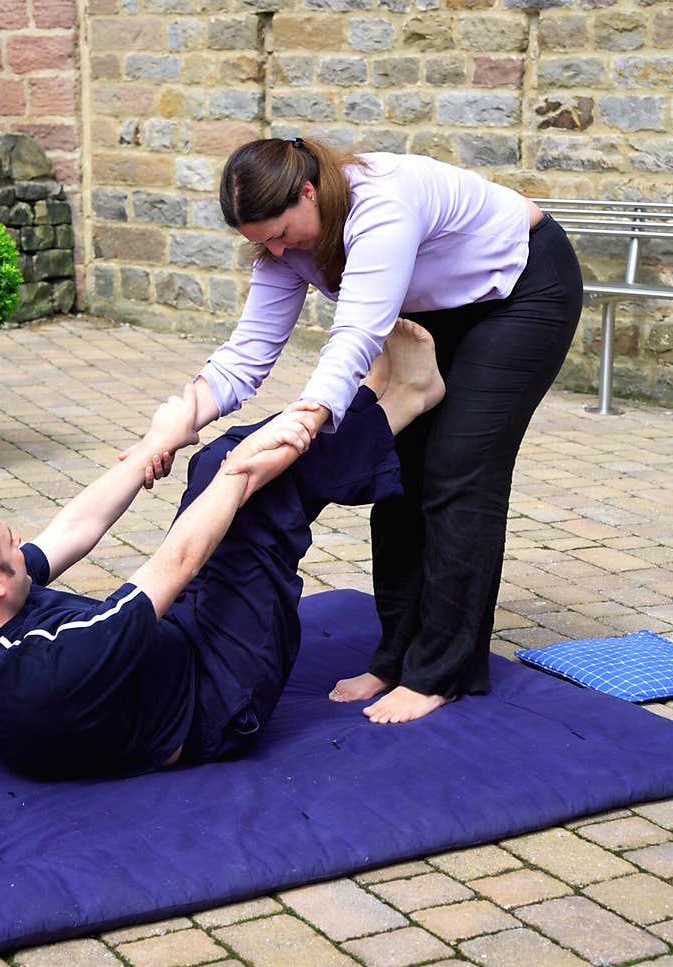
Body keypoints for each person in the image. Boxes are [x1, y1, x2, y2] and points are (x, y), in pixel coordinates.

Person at [150, 136, 583, 725]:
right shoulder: (284, 245)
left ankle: (439, 672)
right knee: (396, 467)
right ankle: (396, 657)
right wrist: (177, 422)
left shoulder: (380, 203)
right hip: (436, 310)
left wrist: (299, 429)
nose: (277, 249)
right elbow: (248, 354)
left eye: (280, 232)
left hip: (521, 293)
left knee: (457, 470)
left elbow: (354, 338)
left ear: (308, 191)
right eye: (262, 243)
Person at [0, 322, 444, 780]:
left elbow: (75, 528)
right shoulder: (57, 663)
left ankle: (369, 404)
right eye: (10, 545)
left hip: (162, 656)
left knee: (214, 465)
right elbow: (175, 565)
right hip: (218, 699)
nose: (22, 543)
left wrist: (152, 449)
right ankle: (406, 399)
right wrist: (245, 465)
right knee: (254, 484)